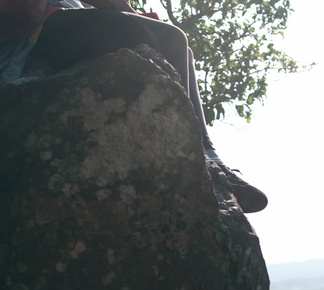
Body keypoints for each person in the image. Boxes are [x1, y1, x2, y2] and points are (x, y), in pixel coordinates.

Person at [0, 0, 268, 213]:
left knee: (176, 47)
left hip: (50, 24)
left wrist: (132, 14)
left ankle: (207, 154)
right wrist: (129, 14)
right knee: (172, 39)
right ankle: (206, 157)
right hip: (38, 32)